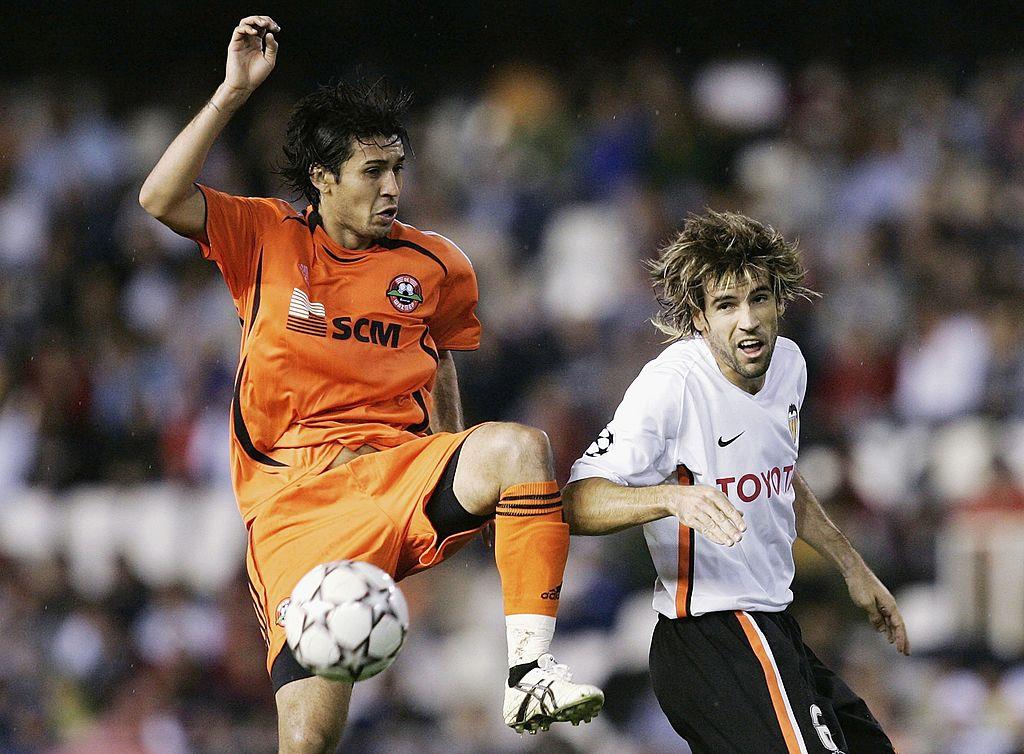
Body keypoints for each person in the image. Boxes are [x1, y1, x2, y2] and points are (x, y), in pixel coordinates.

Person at [139, 15, 603, 751]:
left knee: (520, 449)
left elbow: (439, 358)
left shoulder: (438, 264)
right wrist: (231, 94)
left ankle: (530, 675)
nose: (392, 188)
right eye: (372, 172)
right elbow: (160, 198)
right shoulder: (264, 237)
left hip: (398, 473)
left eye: (397, 169)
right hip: (297, 508)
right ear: (322, 179)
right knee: (307, 741)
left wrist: (455, 465)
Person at [563, 210, 908, 753]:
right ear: (698, 318)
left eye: (759, 299)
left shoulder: (790, 365)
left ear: (780, 303)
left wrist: (853, 568)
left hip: (773, 625)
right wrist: (670, 498)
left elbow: (780, 479)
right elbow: (576, 503)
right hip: (708, 635)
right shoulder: (671, 386)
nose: (747, 320)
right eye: (726, 304)